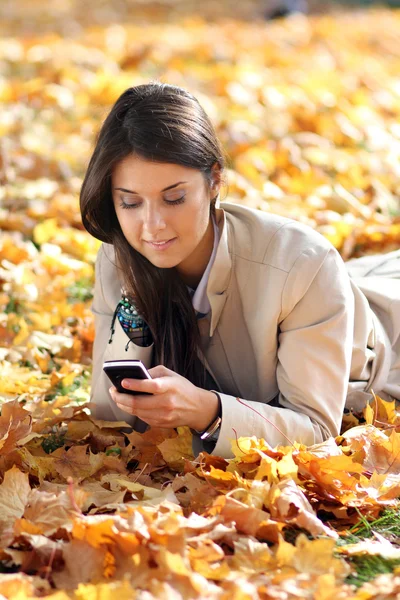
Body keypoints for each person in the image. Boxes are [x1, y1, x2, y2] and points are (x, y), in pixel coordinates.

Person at [80, 82, 400, 459]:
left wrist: (208, 413)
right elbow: (108, 419)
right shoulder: (121, 256)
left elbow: (315, 432)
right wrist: (135, 310)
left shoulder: (301, 263)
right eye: (131, 203)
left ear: (215, 180)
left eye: (174, 199)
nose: (153, 225)